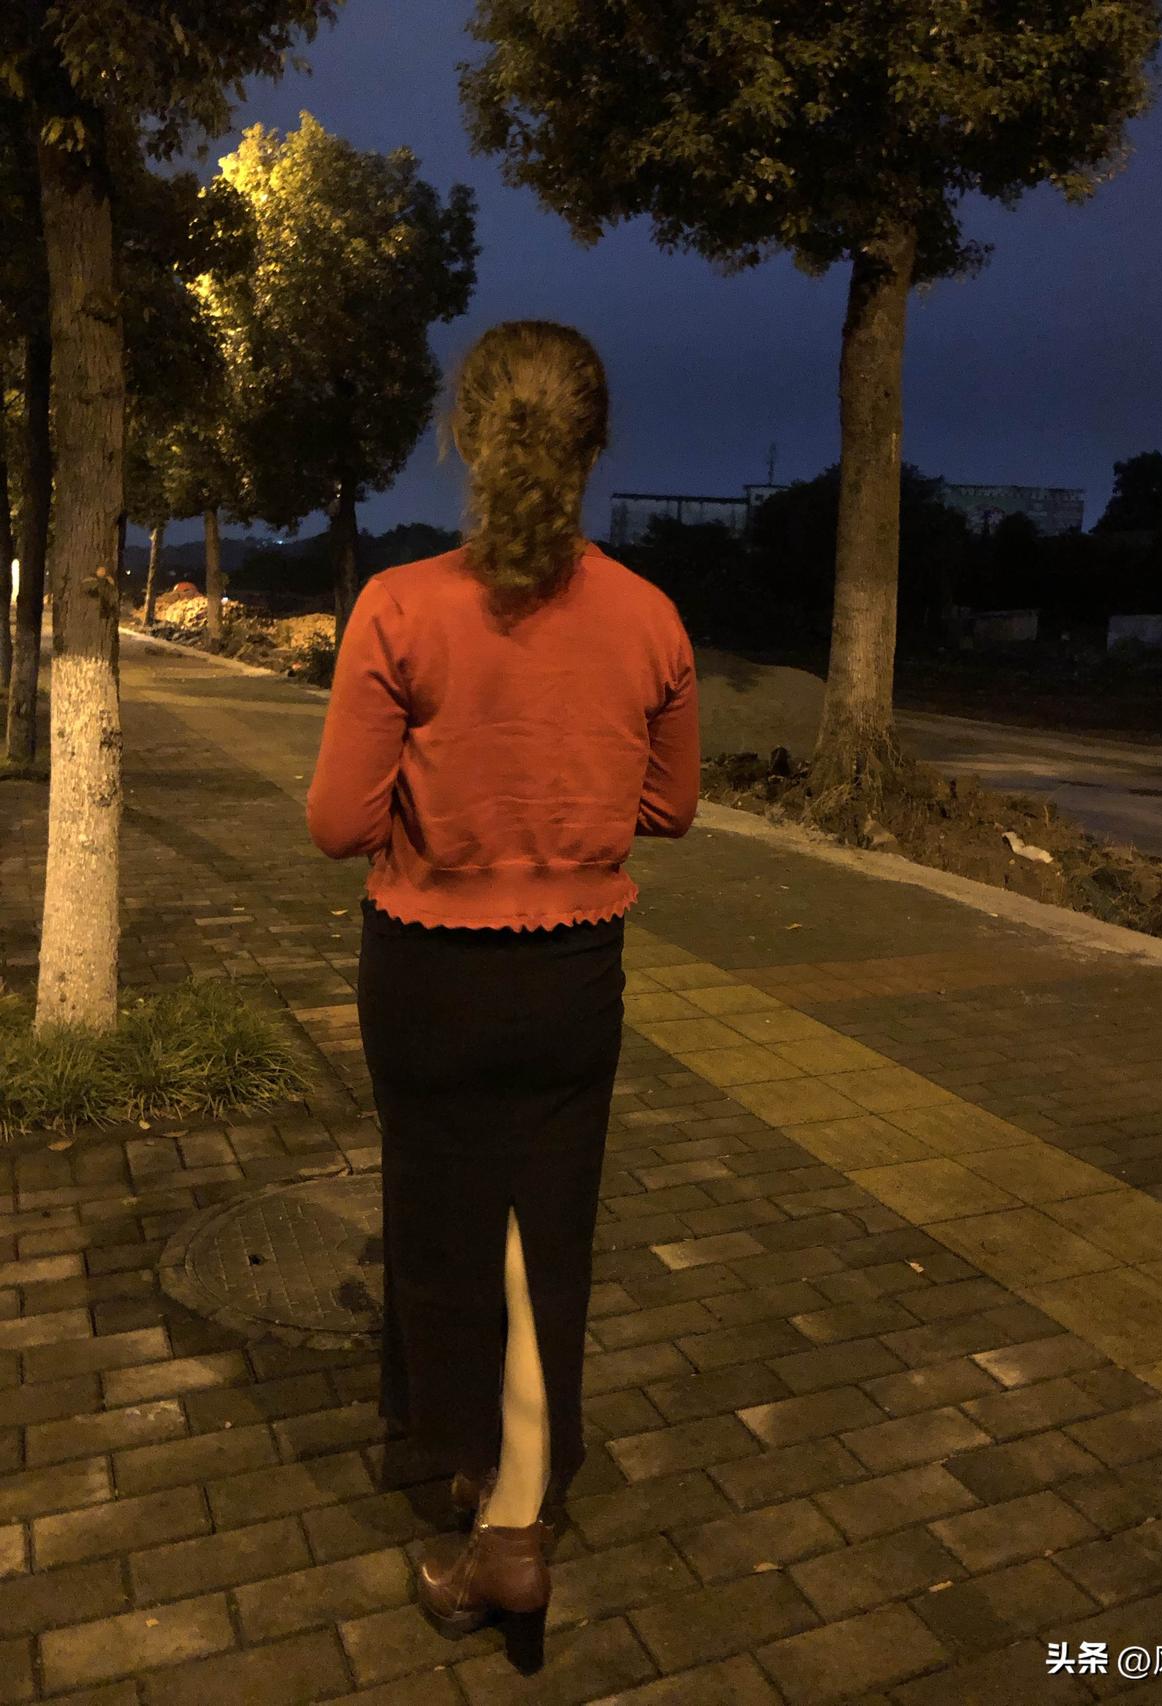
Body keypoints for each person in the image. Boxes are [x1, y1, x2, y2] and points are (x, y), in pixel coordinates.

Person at [305, 320, 701, 1672]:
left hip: (427, 975)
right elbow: (672, 804)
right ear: (595, 444)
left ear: (464, 435)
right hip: (574, 978)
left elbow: (335, 820)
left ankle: (471, 1467)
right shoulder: (650, 617)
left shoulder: (398, 607)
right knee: (547, 1232)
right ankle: (519, 1510)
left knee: (444, 1222)